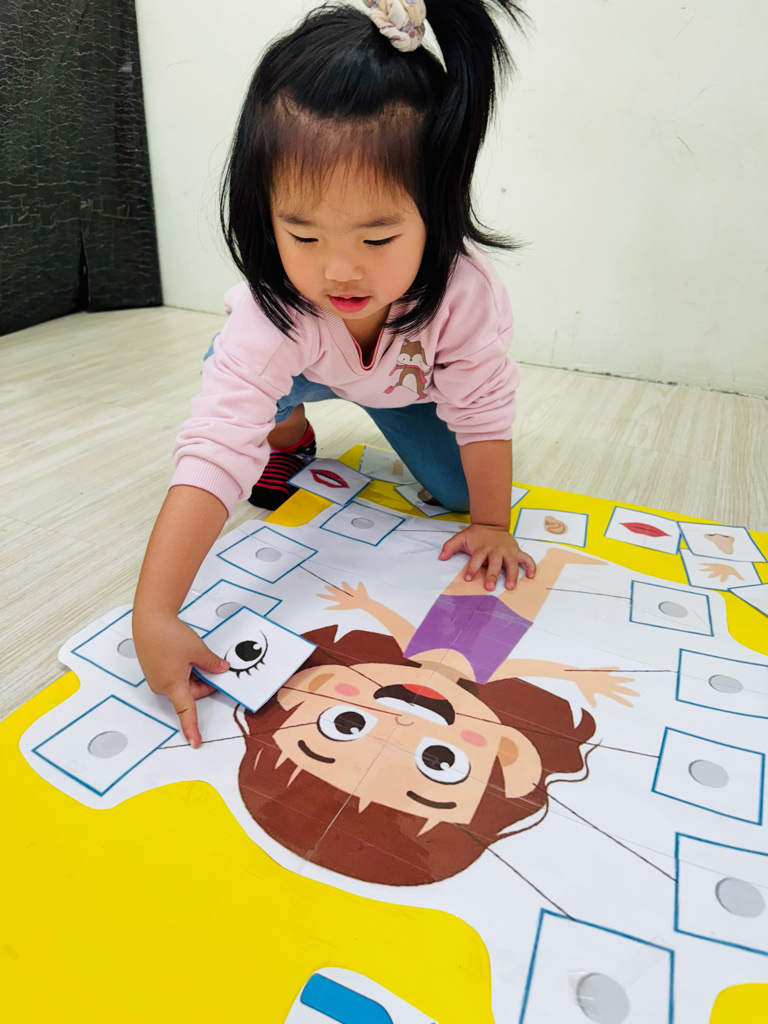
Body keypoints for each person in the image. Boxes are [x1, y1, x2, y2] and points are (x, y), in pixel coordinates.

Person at [134, 0, 533, 748]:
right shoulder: (274, 308)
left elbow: (483, 409)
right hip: (306, 370)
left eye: (378, 238)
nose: (339, 271)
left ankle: (352, 413)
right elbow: (217, 442)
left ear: (437, 208)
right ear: (266, 211)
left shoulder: (465, 294)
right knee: (247, 384)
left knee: (457, 493)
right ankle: (291, 430)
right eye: (303, 233)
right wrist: (154, 613)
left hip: (408, 390)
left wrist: (490, 524)